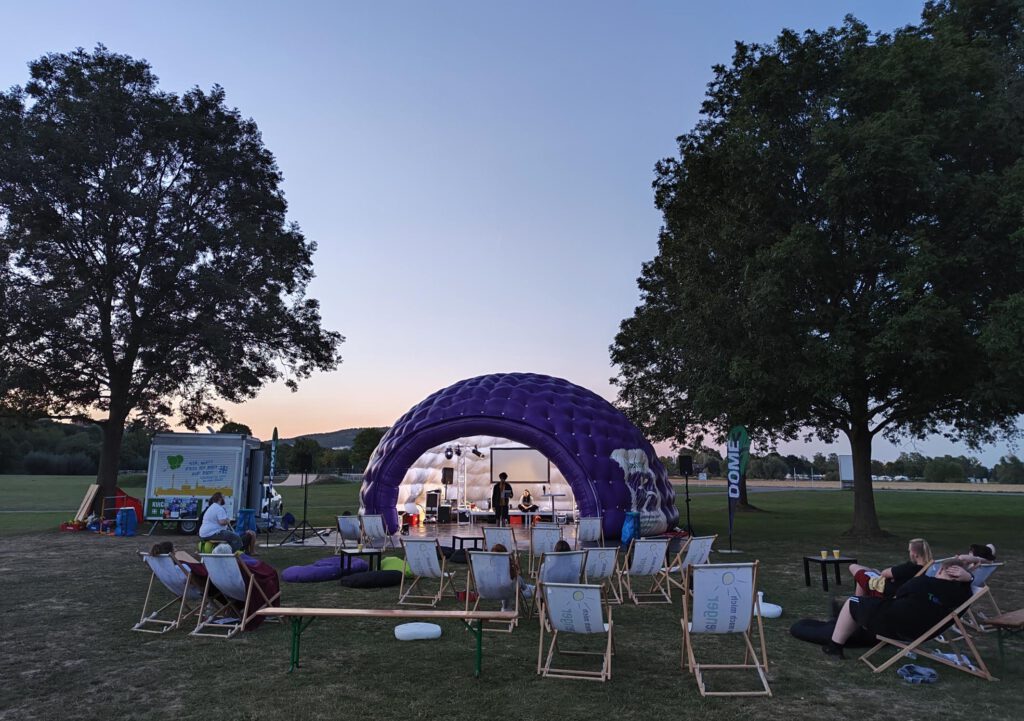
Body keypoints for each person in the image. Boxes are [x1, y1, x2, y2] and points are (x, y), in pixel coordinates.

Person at [823, 559, 974, 659]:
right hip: (921, 632)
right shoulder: (962, 596)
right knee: (872, 604)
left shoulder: (924, 582)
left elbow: (900, 593)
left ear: (941, 570)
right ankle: (850, 626)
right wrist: (970, 578)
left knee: (853, 602)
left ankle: (834, 647)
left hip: (894, 624)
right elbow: (967, 592)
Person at [849, 537, 932, 598]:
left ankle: (857, 604)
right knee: (869, 571)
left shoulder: (910, 568)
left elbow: (885, 573)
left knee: (854, 568)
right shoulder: (929, 568)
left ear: (915, 554)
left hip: (888, 592)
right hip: (899, 591)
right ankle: (860, 603)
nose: (909, 553)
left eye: (909, 551)